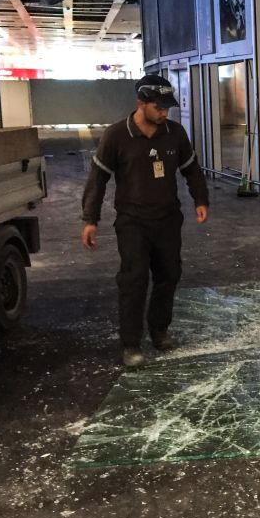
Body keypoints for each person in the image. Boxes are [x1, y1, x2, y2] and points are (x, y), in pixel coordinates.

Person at [81, 74, 210, 367]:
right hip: (132, 222)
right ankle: (131, 343)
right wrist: (90, 218)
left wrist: (201, 200)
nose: (165, 112)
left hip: (167, 219)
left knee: (169, 275)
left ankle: (159, 329)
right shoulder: (116, 135)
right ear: (141, 103)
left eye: (168, 107)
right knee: (134, 279)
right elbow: (98, 179)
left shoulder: (175, 133)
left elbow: (191, 169)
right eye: (159, 107)